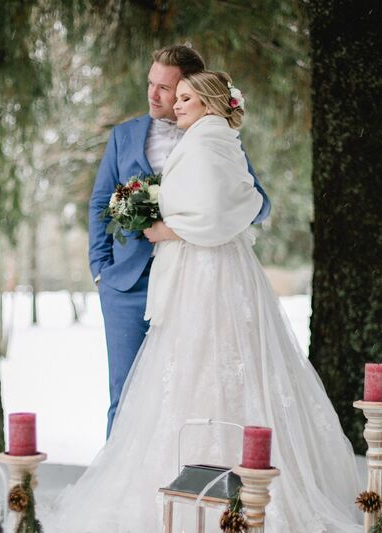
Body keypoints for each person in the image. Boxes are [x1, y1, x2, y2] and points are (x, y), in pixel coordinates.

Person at [48, 71, 361, 532]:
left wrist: (165, 229)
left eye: (185, 97)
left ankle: (224, 479)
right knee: (173, 373)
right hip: (181, 273)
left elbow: (234, 209)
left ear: (210, 101)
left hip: (208, 273)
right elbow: (110, 201)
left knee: (210, 365)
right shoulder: (208, 136)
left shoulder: (209, 139)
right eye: (175, 96)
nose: (175, 104)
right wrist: (105, 263)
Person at [88, 45, 271, 437]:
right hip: (127, 286)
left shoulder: (217, 137)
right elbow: (100, 203)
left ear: (192, 90)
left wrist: (189, 225)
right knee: (124, 395)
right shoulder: (125, 136)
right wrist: (100, 271)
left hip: (193, 288)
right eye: (150, 84)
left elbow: (257, 203)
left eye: (166, 88)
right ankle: (119, 490)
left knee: (185, 395)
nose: (153, 95)